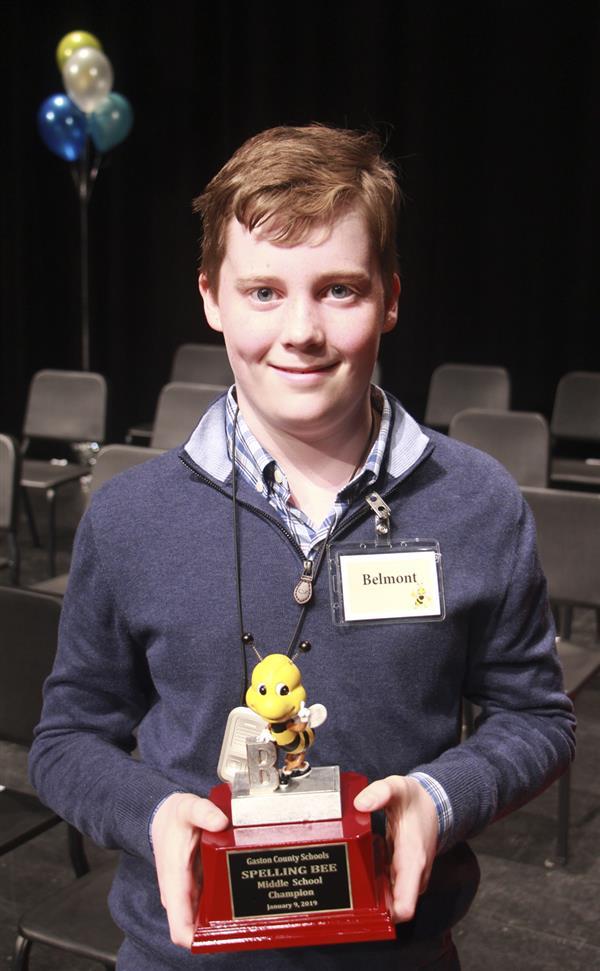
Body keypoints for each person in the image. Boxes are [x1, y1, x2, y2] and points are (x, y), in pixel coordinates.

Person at [30, 124, 575, 971]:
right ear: (211, 297)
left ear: (391, 297)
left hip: (397, 954)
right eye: (262, 292)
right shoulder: (129, 515)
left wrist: (439, 797)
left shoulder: (477, 502)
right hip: (184, 958)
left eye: (339, 289)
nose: (301, 330)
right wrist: (152, 815)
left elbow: (537, 717)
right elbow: (66, 741)